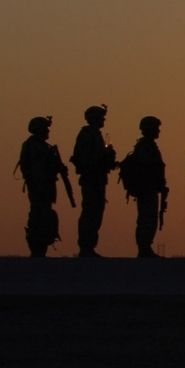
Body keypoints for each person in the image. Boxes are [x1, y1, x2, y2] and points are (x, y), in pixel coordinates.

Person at [17, 116, 70, 257]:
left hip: (45, 186)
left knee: (44, 216)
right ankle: (37, 248)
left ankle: (40, 247)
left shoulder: (41, 146)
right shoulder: (33, 146)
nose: (48, 131)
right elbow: (37, 168)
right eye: (45, 128)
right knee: (38, 216)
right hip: (39, 187)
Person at [70, 105, 116, 257]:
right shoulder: (87, 134)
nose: (103, 120)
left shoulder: (95, 134)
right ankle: (86, 247)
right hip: (91, 179)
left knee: (96, 213)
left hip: (97, 179)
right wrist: (105, 156)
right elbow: (86, 159)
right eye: (101, 117)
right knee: (90, 212)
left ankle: (89, 246)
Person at [130, 116, 168, 258]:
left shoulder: (148, 145)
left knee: (149, 218)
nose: (158, 131)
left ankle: (145, 247)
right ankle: (144, 248)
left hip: (150, 187)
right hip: (146, 188)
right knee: (146, 218)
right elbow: (148, 166)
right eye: (156, 128)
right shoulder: (145, 146)